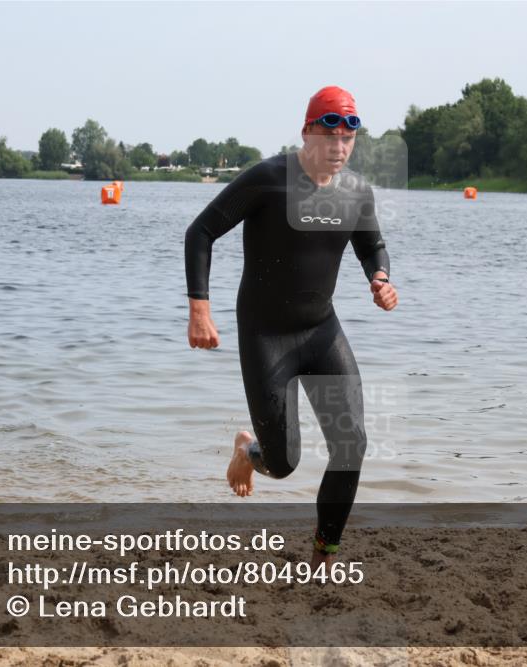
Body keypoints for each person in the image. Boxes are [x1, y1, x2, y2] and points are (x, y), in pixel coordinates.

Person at [184, 85, 397, 566]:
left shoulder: (356, 192)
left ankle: (324, 554)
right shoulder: (269, 179)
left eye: (347, 140)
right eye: (329, 136)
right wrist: (200, 307)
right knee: (283, 462)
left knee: (352, 444)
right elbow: (201, 231)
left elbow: (371, 245)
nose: (338, 149)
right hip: (266, 334)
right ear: (306, 132)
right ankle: (248, 448)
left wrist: (380, 277)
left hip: (321, 330)